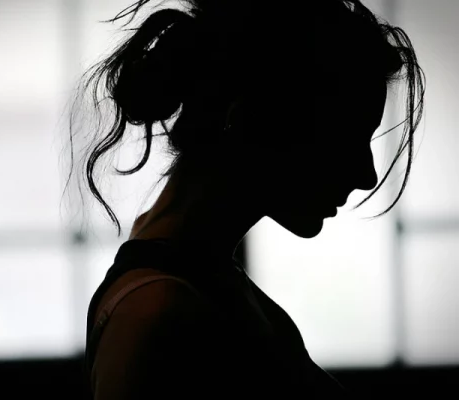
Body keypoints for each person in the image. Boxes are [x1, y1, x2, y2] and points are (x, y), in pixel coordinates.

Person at [61, 0, 426, 398]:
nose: (366, 175)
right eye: (344, 140)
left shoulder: (204, 283)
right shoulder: (156, 313)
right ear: (250, 120)